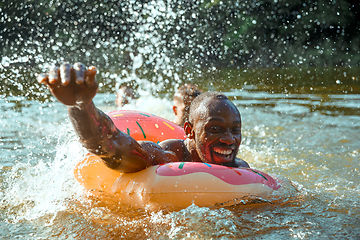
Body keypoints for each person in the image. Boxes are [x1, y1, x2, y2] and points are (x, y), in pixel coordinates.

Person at [37, 62, 249, 173]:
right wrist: (80, 105)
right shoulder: (168, 155)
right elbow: (112, 147)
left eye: (235, 129)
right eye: (215, 129)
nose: (229, 139)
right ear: (189, 130)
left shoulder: (241, 168)